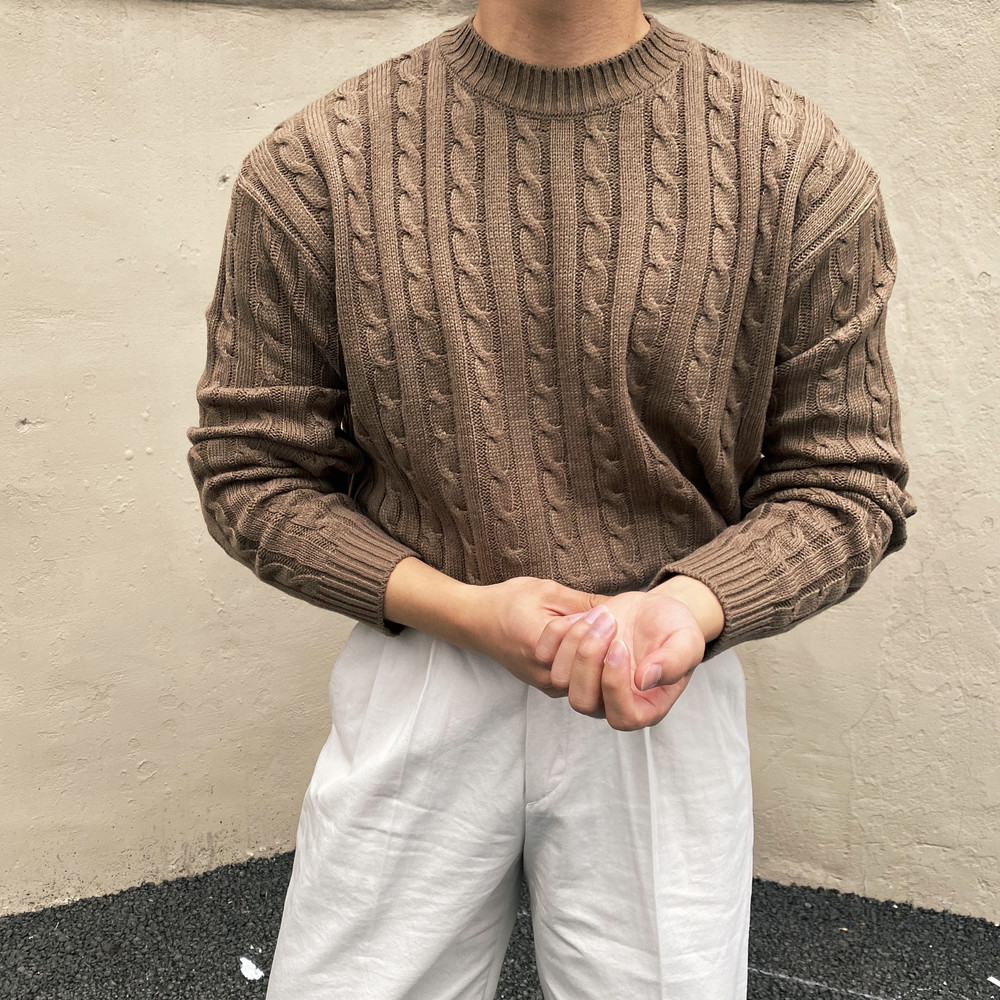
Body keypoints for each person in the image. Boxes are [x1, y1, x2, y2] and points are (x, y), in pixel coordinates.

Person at [187, 0, 917, 996]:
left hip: (661, 679)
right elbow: (250, 467)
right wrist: (460, 610)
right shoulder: (320, 165)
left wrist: (688, 607)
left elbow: (844, 478)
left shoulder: (793, 166)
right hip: (423, 661)